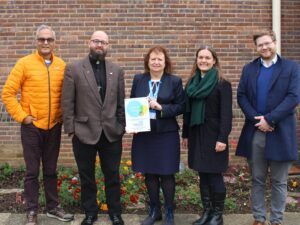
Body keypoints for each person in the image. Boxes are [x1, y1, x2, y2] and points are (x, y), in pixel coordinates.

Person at [1, 25, 74, 225]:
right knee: (32, 171)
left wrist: (62, 115)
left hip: (53, 127)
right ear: (36, 41)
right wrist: (22, 117)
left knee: (51, 170)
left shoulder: (61, 65)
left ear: (54, 42)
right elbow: (8, 92)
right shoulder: (24, 63)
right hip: (32, 127)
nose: (45, 43)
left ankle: (52, 208)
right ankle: (31, 210)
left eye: (49, 39)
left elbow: (67, 95)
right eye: (41, 39)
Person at [236, 30, 300, 225]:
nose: (264, 47)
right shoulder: (249, 69)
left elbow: (293, 97)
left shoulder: (291, 68)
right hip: (256, 132)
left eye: (267, 43)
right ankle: (259, 218)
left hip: (281, 132)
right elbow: (242, 96)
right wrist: (258, 120)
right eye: (260, 45)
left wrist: (270, 120)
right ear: (256, 48)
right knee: (257, 179)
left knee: (280, 181)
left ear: (274, 42)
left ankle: (277, 220)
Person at [62, 31, 125, 225]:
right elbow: (67, 101)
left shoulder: (117, 70)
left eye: (104, 42)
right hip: (83, 132)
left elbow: (120, 102)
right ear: (89, 43)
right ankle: (90, 212)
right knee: (86, 175)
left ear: (108, 45)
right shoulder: (74, 68)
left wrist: (121, 126)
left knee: (112, 175)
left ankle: (115, 212)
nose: (100, 45)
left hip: (111, 133)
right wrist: (71, 128)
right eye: (96, 41)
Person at [129, 46, 185, 225]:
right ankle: (154, 210)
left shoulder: (174, 81)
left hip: (166, 134)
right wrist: (132, 123)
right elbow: (132, 103)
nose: (156, 62)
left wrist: (161, 108)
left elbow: (181, 106)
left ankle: (169, 211)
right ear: (147, 61)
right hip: (144, 134)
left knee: (167, 173)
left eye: (159, 59)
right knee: (150, 173)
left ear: (165, 62)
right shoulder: (139, 79)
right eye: (153, 59)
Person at [182, 46, 232, 225]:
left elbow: (226, 115)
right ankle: (207, 213)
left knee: (214, 175)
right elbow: (187, 113)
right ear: (196, 60)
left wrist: (222, 138)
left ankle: (217, 215)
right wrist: (185, 135)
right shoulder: (191, 84)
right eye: (200, 57)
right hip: (196, 135)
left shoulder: (222, 84)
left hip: (214, 136)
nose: (203, 60)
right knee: (202, 175)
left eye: (207, 58)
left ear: (214, 61)